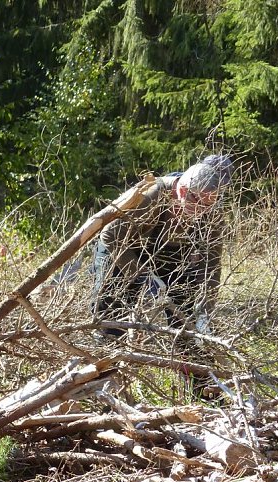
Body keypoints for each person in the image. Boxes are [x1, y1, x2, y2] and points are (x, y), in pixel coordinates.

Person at [92, 155, 234, 392]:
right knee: (111, 314)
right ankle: (101, 387)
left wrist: (206, 307)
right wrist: (144, 277)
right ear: (183, 189)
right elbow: (110, 235)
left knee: (186, 323)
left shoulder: (212, 213)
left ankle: (204, 391)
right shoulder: (153, 195)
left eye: (207, 204)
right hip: (123, 248)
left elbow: (211, 263)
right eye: (194, 201)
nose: (198, 209)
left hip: (168, 254)